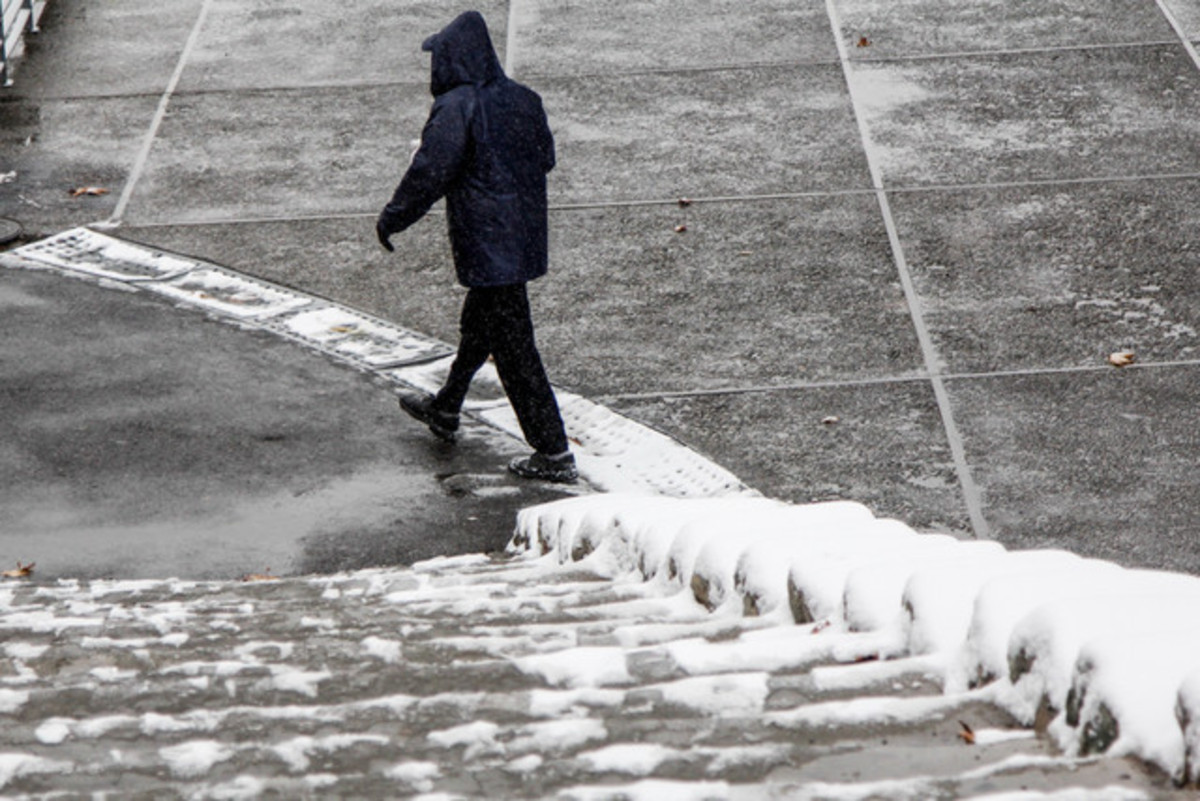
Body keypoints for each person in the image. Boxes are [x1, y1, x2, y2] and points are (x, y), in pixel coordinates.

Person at [376, 10, 576, 484]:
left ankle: (553, 452)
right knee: (480, 324)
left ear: (452, 58)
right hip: (522, 240)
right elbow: (544, 158)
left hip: (488, 244)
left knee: (514, 349)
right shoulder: (525, 99)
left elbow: (431, 170)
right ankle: (446, 406)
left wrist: (393, 217)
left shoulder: (457, 106)